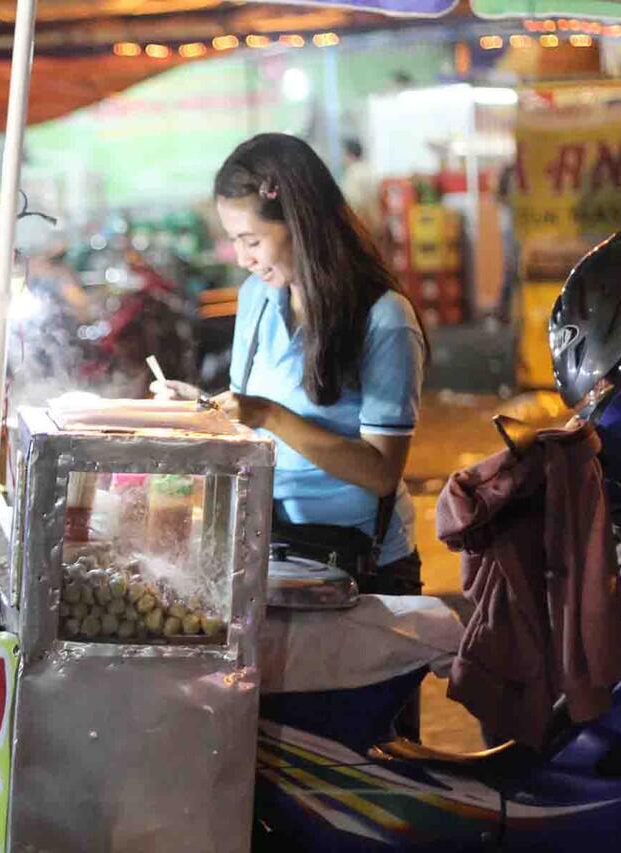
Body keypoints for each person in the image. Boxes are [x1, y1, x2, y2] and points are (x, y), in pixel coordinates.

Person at [154, 133, 427, 595]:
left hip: (362, 565)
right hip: (277, 547)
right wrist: (202, 408)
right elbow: (249, 428)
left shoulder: (383, 319)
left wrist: (268, 414)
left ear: (301, 223)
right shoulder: (257, 299)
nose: (243, 259)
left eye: (252, 240)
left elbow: (381, 473)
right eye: (235, 242)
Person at [340, 138, 381, 239]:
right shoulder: (369, 171)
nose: (342, 158)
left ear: (349, 155)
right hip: (374, 228)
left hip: (359, 229)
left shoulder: (353, 174)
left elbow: (354, 202)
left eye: (343, 154)